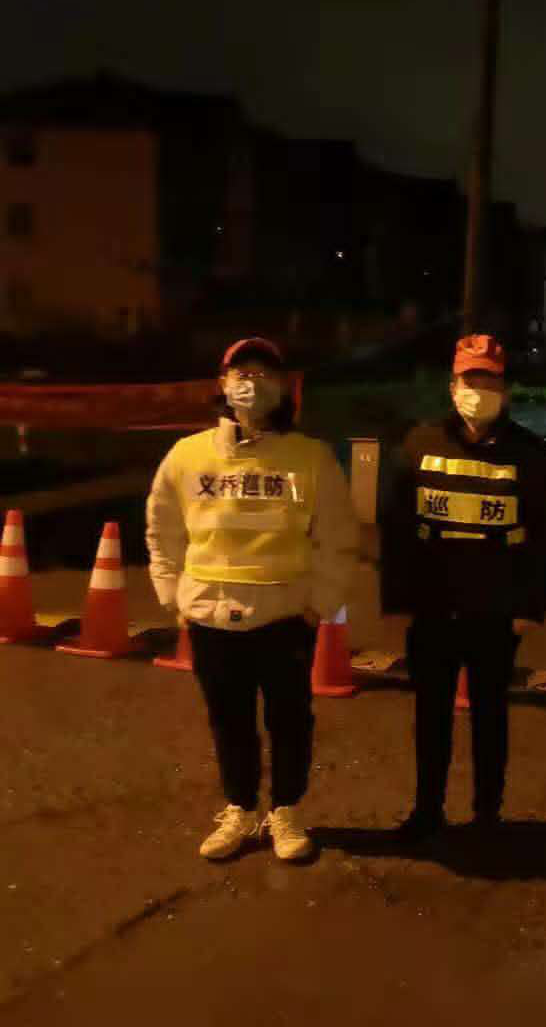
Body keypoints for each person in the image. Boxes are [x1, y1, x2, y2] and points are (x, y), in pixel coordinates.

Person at [145, 337, 358, 862]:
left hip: (285, 616)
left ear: (284, 387)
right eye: (241, 372)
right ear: (222, 384)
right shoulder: (187, 455)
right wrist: (174, 595)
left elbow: (337, 537)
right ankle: (239, 808)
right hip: (211, 615)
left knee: (290, 720)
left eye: (264, 374)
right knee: (229, 720)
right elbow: (162, 528)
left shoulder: (310, 458)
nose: (252, 383)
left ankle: (285, 811)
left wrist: (319, 604)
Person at [381, 335, 546, 840]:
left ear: (505, 389)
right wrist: (397, 598)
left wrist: (530, 607)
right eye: (469, 380)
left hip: (496, 611)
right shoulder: (420, 443)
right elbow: (397, 527)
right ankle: (427, 811)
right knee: (430, 715)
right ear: (452, 386)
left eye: (488, 380)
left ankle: (487, 814)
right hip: (434, 607)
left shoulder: (529, 455)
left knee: (490, 717)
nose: (478, 391)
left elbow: (545, 538)